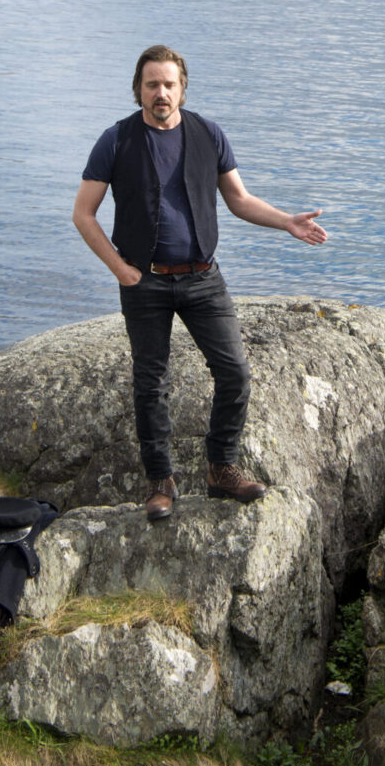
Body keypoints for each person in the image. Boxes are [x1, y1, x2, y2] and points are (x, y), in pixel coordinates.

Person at [72, 45, 328, 521]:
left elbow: (240, 200)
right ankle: (160, 484)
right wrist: (120, 269)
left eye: (169, 84)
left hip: (203, 279)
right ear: (139, 90)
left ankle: (221, 469)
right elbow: (83, 215)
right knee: (151, 384)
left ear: (182, 89)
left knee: (235, 372)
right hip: (143, 282)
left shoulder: (208, 135)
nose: (161, 93)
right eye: (152, 84)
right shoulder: (116, 141)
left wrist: (286, 222)